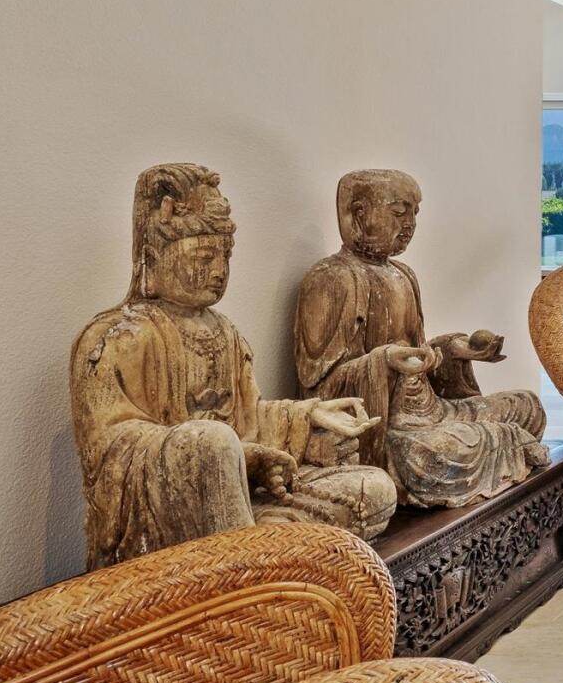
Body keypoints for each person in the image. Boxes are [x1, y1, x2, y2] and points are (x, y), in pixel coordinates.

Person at [70, 163, 395, 567]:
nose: (218, 271)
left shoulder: (226, 332)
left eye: (225, 256)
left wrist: (307, 418)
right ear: (153, 258)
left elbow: (249, 416)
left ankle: (254, 551)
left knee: (373, 487)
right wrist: (222, 451)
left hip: (241, 499)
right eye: (204, 257)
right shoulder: (116, 336)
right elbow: (108, 450)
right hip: (179, 518)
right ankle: (246, 567)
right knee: (212, 442)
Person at [293, 169, 548, 510]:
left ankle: (503, 442)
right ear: (359, 214)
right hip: (392, 429)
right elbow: (320, 391)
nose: (409, 224)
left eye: (414, 213)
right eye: (399, 212)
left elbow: (421, 356)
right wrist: (384, 361)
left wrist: (454, 350)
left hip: (431, 410)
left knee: (527, 405)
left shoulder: (404, 275)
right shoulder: (333, 278)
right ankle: (507, 443)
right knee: (439, 453)